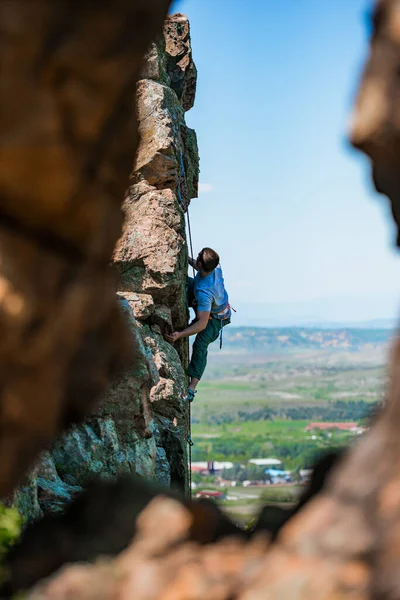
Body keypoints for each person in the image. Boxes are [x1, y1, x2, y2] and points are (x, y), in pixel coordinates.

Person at [165, 247, 231, 401]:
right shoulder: (216, 267)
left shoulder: (204, 293)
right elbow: (200, 265)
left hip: (215, 319)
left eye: (198, 258)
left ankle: (192, 388)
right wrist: (185, 258)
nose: (197, 259)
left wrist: (180, 334)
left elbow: (202, 324)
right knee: (184, 283)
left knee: (200, 345)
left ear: (201, 265)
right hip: (212, 305)